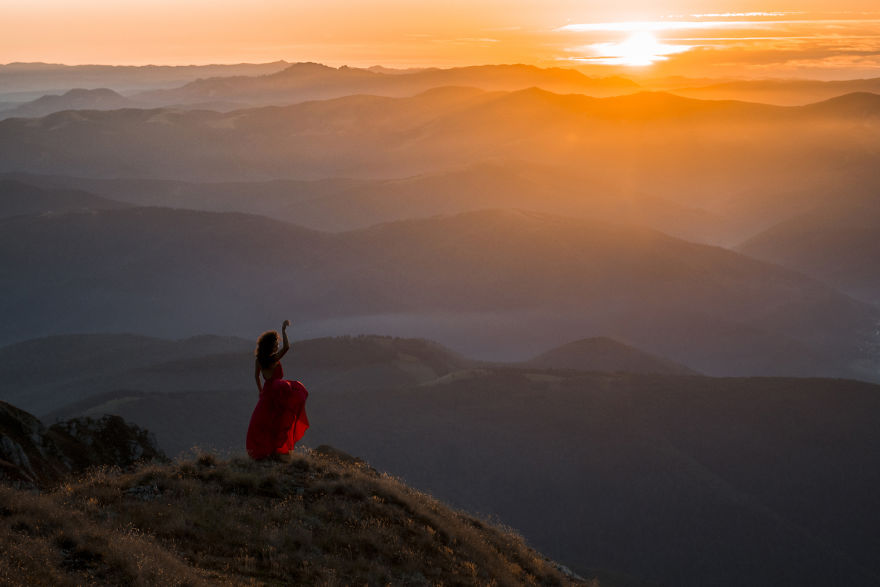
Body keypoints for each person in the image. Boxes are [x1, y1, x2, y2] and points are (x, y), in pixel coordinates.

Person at [246, 320, 310, 460]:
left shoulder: (259, 360)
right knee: (279, 421)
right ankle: (277, 450)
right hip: (279, 392)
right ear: (271, 346)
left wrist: (260, 390)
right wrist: (284, 330)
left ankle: (266, 451)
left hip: (267, 393)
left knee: (264, 423)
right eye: (276, 344)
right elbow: (287, 347)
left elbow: (256, 376)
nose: (277, 345)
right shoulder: (274, 358)